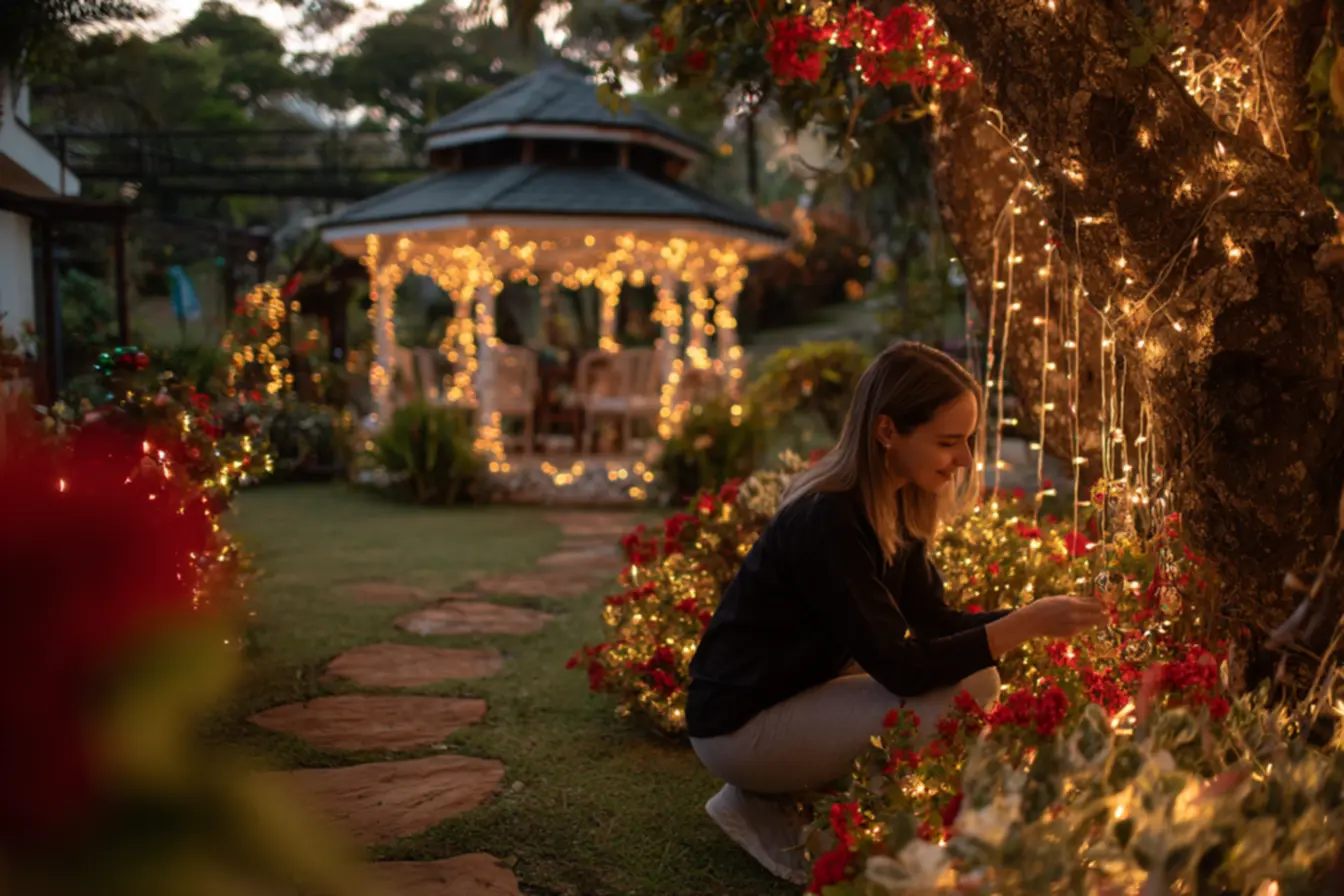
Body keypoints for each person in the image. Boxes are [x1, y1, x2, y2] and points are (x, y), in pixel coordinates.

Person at [685, 341, 1108, 884]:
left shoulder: (895, 502)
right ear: (887, 431)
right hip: (737, 726)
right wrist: (1024, 625)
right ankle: (798, 805)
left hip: (790, 693)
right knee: (968, 688)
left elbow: (932, 620)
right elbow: (901, 668)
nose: (964, 460)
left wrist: (1041, 616)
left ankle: (769, 797)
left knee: (973, 675)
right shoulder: (829, 520)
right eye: (948, 442)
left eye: (968, 441)